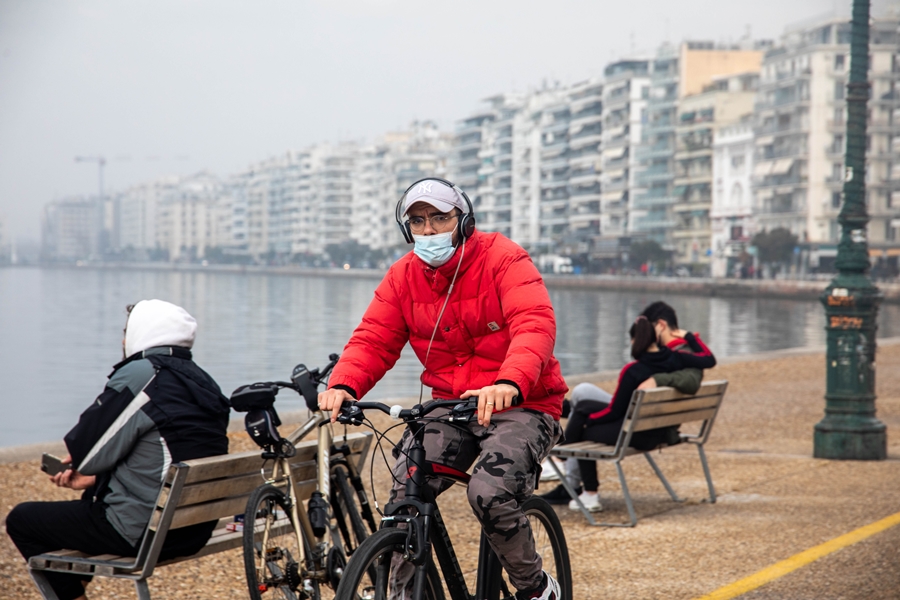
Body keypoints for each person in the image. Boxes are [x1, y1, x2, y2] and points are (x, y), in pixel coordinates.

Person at [318, 177, 567, 600]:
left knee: (489, 492)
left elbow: (534, 324)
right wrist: (342, 384)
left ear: (464, 221)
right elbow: (373, 339)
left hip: (524, 403)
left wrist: (509, 382)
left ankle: (535, 587)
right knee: (404, 495)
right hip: (452, 407)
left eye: (440, 218)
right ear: (407, 229)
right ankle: (402, 595)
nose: (429, 230)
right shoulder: (402, 277)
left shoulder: (503, 259)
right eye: (418, 221)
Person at [6, 300, 231, 600]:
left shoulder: (143, 374)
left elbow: (86, 453)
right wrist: (94, 480)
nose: (123, 340)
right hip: (192, 530)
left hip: (146, 534)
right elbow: (166, 453)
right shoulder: (203, 381)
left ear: (144, 332)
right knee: (91, 499)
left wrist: (87, 467)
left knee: (22, 520)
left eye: (127, 331)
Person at [546, 305, 716, 513]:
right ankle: (562, 443)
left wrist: (589, 420)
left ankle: (579, 483)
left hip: (638, 429)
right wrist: (691, 337)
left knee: (581, 418)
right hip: (652, 425)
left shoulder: (635, 370)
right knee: (581, 404)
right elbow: (709, 359)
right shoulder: (677, 358)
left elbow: (616, 412)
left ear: (658, 327)